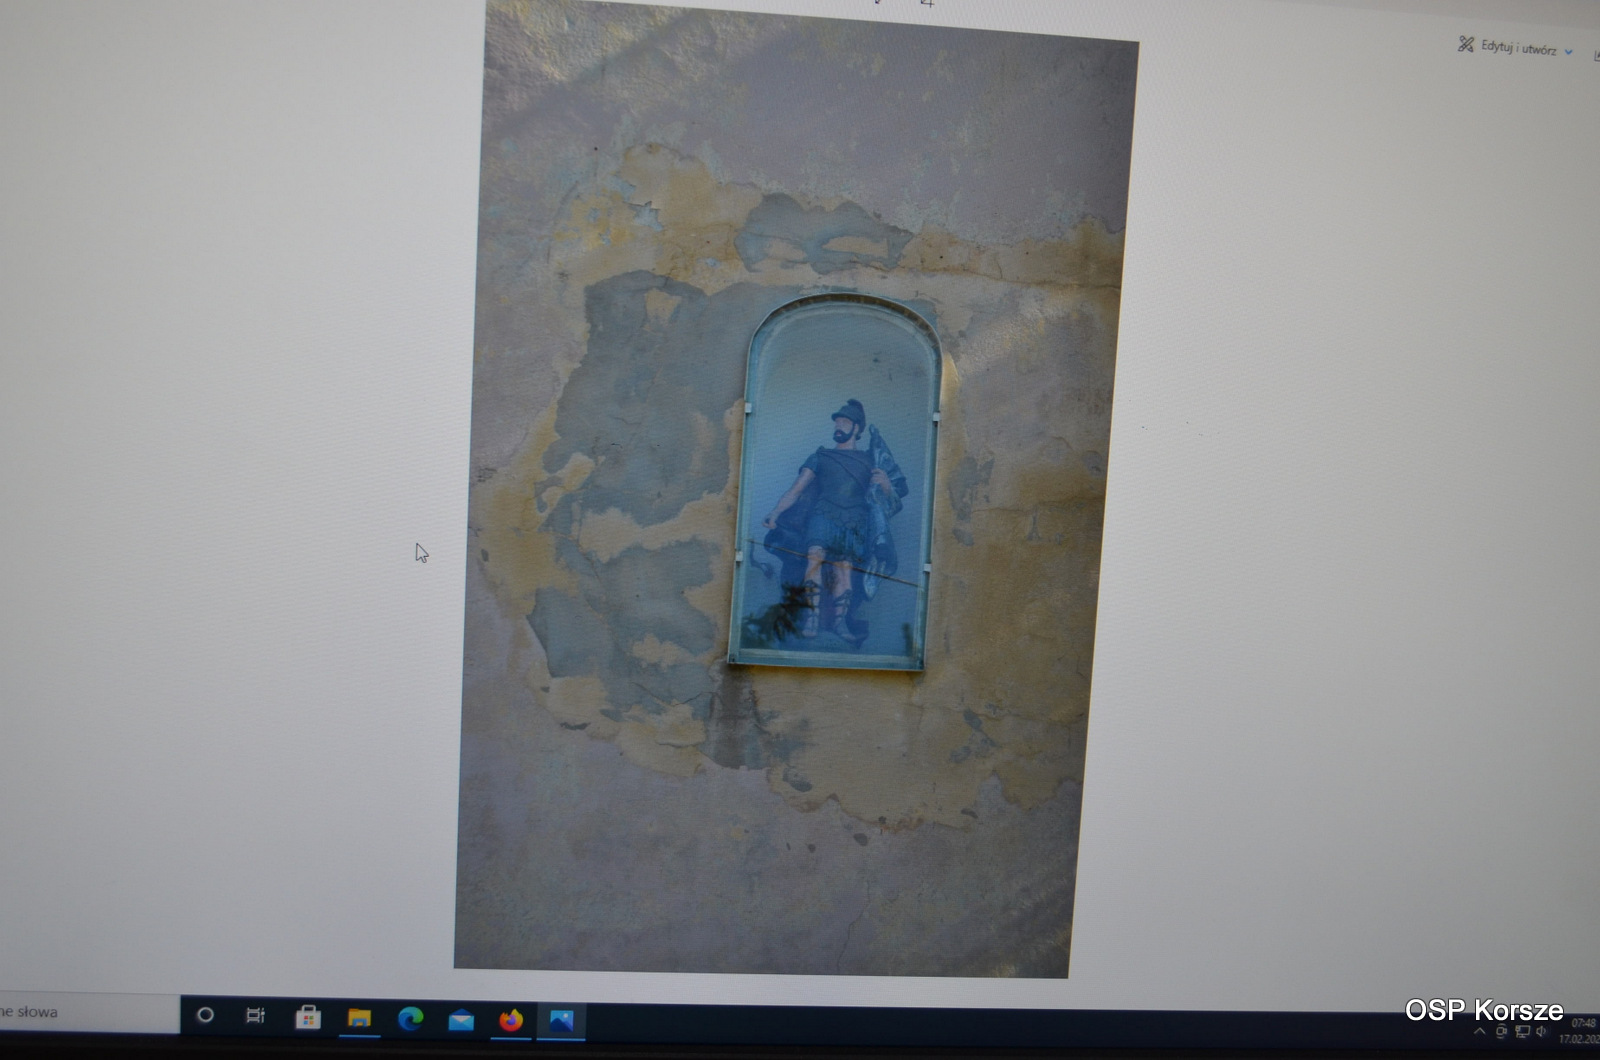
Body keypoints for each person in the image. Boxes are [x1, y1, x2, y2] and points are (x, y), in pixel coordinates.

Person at [762, 399, 898, 641]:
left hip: (855, 520)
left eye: (844, 422)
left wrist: (886, 485)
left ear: (856, 428)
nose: (838, 425)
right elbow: (796, 490)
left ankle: (840, 623)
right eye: (837, 421)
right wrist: (775, 512)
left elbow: (888, 502)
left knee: (844, 570)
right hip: (823, 514)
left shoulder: (870, 460)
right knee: (813, 561)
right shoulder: (821, 456)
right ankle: (811, 618)